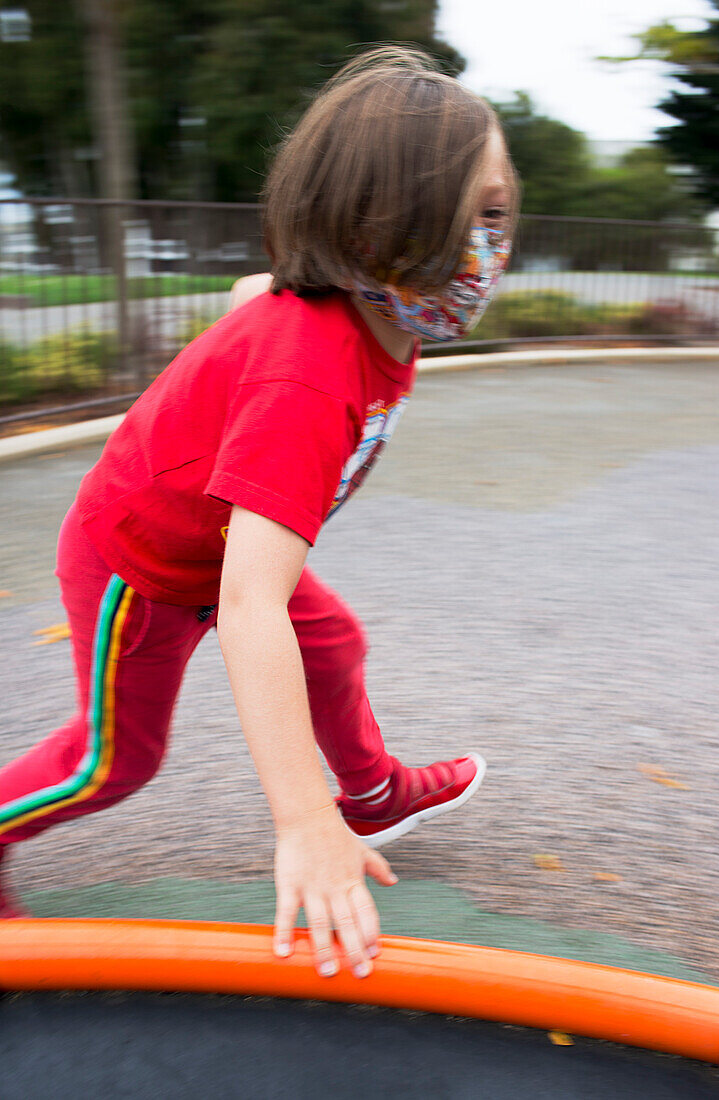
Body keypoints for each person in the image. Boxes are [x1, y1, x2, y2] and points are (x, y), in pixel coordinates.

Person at [0, 46, 516, 981]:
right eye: (467, 218)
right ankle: (335, 807)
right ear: (378, 235)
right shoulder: (311, 378)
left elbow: (255, 295)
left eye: (501, 213)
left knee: (336, 644)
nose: (491, 247)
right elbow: (250, 611)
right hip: (144, 568)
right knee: (110, 762)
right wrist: (298, 819)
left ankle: (371, 792)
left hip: (216, 544)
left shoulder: (376, 314)